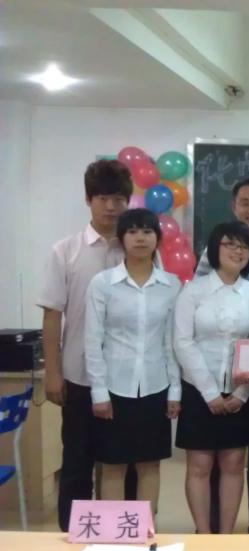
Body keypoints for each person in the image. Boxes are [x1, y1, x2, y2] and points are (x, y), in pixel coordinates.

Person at [39, 159, 130, 531]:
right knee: (77, 460)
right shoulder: (66, 251)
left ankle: (125, 531)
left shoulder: (137, 249)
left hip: (126, 378)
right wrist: (53, 373)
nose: (111, 206)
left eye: (118, 199)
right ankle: (73, 534)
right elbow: (52, 315)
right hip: (78, 375)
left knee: (124, 461)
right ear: (88, 200)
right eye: (102, 198)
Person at [194, 177, 249, 534]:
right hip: (224, 369)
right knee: (222, 453)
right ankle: (215, 526)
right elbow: (202, 298)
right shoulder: (214, 253)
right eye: (245, 202)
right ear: (234, 207)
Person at [84, 209, 181, 508]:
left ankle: (146, 527)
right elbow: (93, 341)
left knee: (150, 463)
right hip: (114, 387)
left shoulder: (171, 285)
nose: (141, 238)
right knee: (113, 465)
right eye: (133, 232)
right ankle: (115, 531)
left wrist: (175, 391)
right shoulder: (102, 283)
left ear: (157, 239)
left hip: (155, 386)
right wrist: (99, 393)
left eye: (148, 232)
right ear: (121, 239)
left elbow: (171, 342)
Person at [173, 221, 249, 535]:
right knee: (199, 465)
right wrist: (210, 392)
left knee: (234, 464)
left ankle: (225, 535)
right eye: (230, 244)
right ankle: (204, 533)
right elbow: (183, 342)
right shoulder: (193, 290)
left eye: (244, 246)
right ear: (215, 248)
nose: (237, 251)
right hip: (199, 390)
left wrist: (241, 395)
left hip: (239, 393)